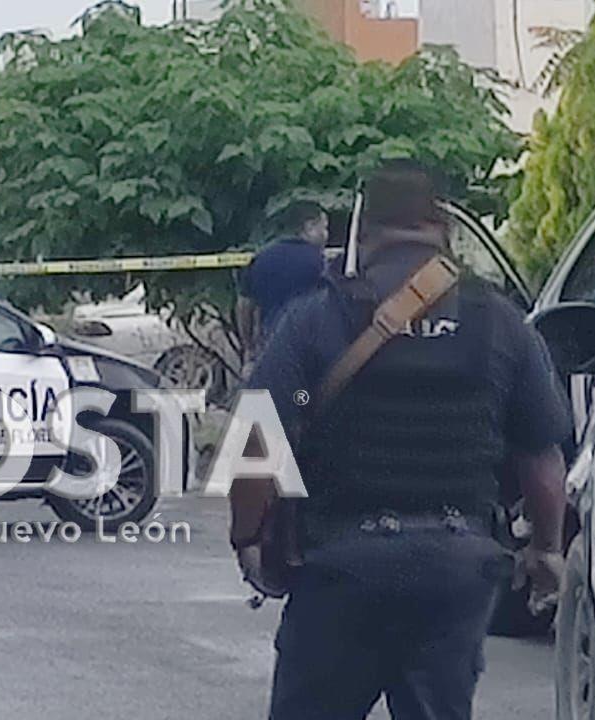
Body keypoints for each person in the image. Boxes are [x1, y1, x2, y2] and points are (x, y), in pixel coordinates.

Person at [230, 160, 570, 720]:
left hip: (342, 567)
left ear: (362, 237)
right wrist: (546, 549)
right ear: (444, 230)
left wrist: (248, 541)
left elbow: (258, 440)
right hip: (456, 567)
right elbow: (541, 457)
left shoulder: (317, 318)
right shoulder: (499, 322)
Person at [237, 202, 329, 360]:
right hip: (310, 345)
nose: (326, 235)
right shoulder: (321, 263)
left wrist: (249, 345)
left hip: (271, 343)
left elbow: (244, 306)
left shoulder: (260, 258)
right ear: (309, 227)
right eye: (324, 228)